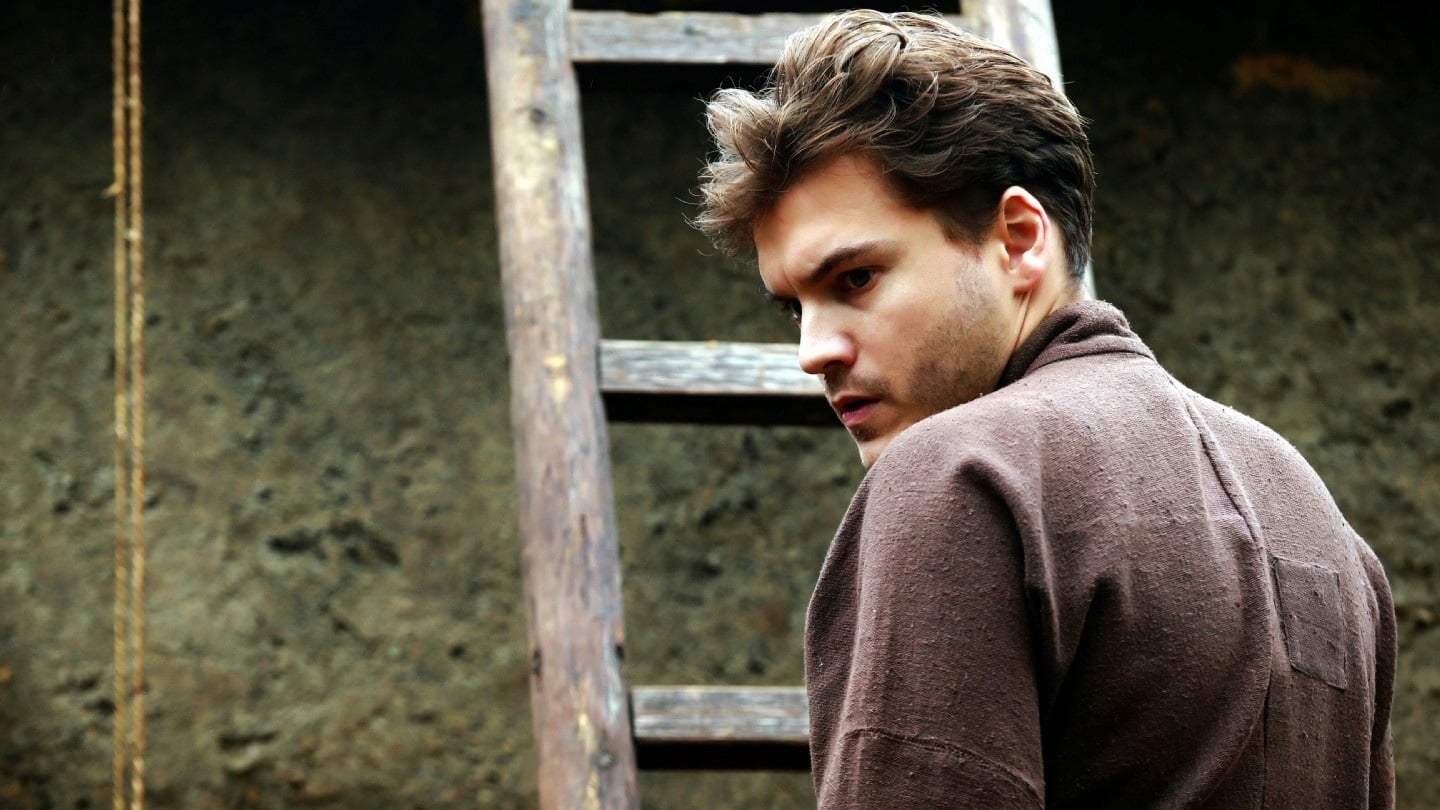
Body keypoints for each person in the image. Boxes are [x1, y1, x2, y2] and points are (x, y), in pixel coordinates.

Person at [693, 10, 1396, 808]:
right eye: (794, 307)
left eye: (855, 279)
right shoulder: (1315, 516)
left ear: (1021, 239)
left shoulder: (959, 477)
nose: (814, 351)